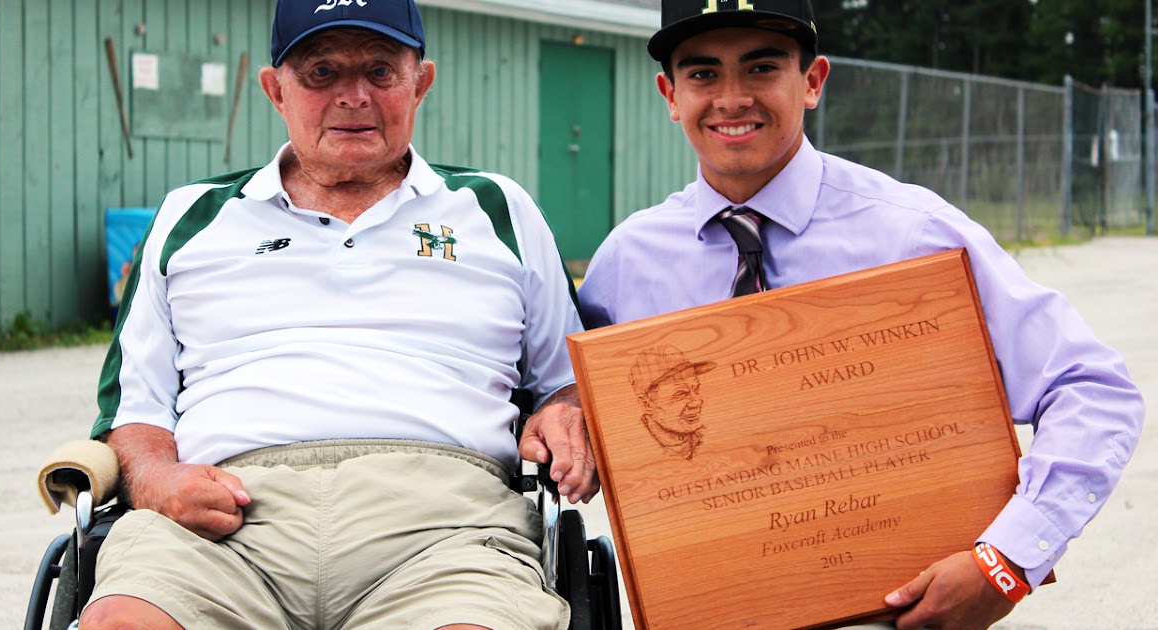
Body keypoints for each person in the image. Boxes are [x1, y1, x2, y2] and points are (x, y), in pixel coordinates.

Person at [576, 0, 1145, 628]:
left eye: (761, 68)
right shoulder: (626, 264)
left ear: (814, 80)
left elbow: (1092, 389)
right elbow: (581, 410)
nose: (731, 98)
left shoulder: (914, 236)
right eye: (703, 74)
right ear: (670, 93)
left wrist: (1005, 562)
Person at [79, 1, 596, 628]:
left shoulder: (495, 208)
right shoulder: (192, 217)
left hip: (446, 532)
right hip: (223, 530)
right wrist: (157, 480)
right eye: (322, 73)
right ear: (276, 90)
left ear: (420, 83)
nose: (353, 97)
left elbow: (569, 379)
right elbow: (134, 409)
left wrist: (566, 417)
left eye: (380, 71)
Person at [629, 345, 716, 461]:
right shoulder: (635, 452)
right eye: (681, 394)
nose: (696, 402)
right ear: (647, 404)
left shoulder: (707, 436)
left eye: (696, 389)